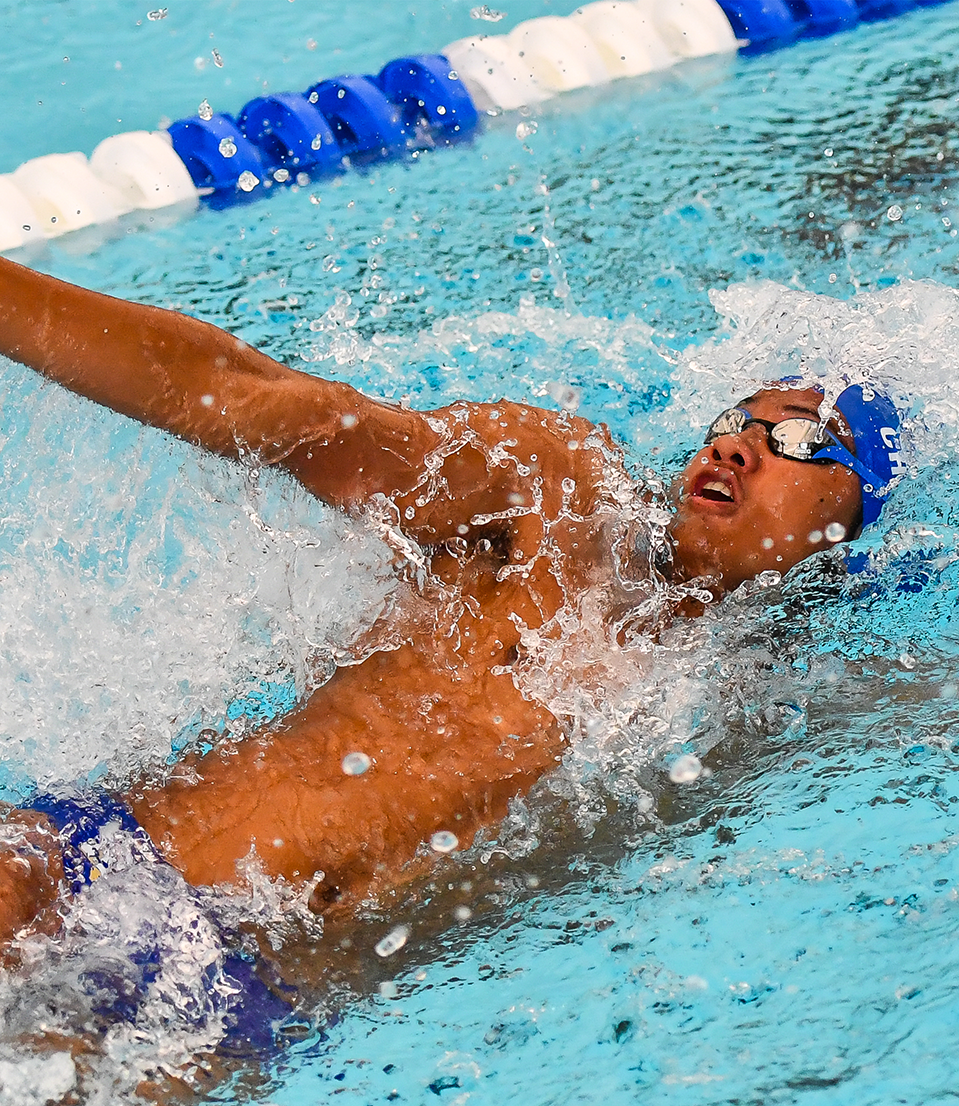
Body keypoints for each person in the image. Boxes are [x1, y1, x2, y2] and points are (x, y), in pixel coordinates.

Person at [0, 254, 904, 1054]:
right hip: (99, 869)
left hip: (247, 999)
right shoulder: (559, 497)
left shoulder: (760, 699)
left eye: (798, 438)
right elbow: (279, 406)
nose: (738, 442)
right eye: (736, 418)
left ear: (849, 522)